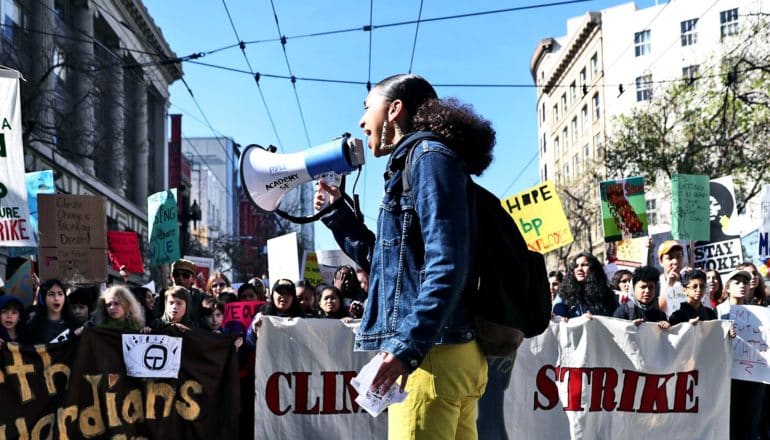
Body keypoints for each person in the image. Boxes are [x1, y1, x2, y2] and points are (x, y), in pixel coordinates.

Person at [314, 74, 490, 438]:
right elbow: (387, 264)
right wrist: (337, 213)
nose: (362, 122)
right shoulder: (426, 159)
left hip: (431, 359)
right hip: (443, 353)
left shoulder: (427, 157)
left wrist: (406, 348)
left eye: (367, 108)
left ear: (394, 109)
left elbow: (447, 264)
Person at [715, 269, 763, 440]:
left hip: (754, 376)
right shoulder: (717, 312)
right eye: (736, 282)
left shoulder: (760, 314)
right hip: (727, 375)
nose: (742, 285)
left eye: (744, 282)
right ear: (727, 288)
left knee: (750, 421)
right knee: (730, 420)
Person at [552, 252, 618, 319]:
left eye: (584, 265)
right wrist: (580, 320)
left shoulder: (606, 294)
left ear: (593, 269)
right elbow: (558, 320)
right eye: (576, 266)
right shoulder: (564, 294)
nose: (579, 269)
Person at [23, 279, 80, 344]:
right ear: (44, 299)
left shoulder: (75, 324)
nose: (56, 298)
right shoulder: (34, 327)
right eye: (51, 294)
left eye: (60, 294)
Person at [656, 240, 690, 317]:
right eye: (670, 258)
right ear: (660, 261)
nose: (675, 261)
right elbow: (658, 311)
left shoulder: (690, 280)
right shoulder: (656, 284)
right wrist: (669, 286)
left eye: (679, 256)